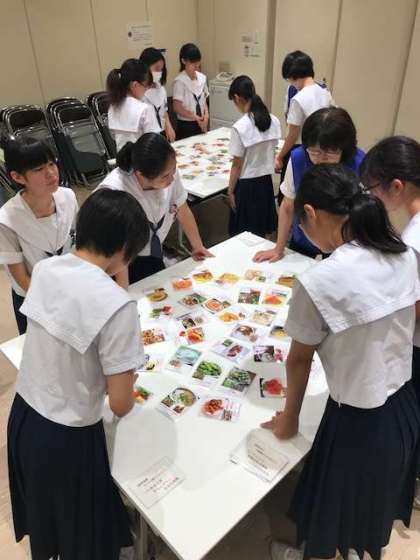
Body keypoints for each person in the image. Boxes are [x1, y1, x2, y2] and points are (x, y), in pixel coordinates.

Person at [263, 164, 420, 560]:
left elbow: (299, 361)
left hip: (357, 420)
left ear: (310, 213)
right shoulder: (401, 253)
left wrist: (289, 419)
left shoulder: (319, 280)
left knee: (333, 508)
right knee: (367, 504)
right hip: (404, 407)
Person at [7, 188, 150, 560]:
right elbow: (120, 404)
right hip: (67, 436)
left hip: (23, 417)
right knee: (82, 532)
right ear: (125, 249)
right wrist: (129, 379)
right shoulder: (119, 308)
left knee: (49, 519)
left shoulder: (47, 269)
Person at [360, 135, 420, 508]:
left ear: (396, 187)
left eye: (374, 191)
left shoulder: (413, 241)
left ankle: (403, 487)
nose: (373, 200)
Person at [97, 132, 212, 285]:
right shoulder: (115, 191)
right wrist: (123, 289)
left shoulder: (167, 170)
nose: (172, 179)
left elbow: (183, 209)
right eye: (165, 176)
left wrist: (197, 246)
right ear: (140, 175)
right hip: (120, 261)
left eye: (173, 170)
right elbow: (116, 247)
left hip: (152, 252)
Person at [254, 107, 364, 261]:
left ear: (345, 148)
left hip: (341, 242)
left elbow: (363, 215)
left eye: (330, 152)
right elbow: (288, 206)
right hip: (305, 235)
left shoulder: (359, 164)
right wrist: (278, 248)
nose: (322, 158)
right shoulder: (299, 158)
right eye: (315, 151)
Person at [0, 137, 78, 334]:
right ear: (18, 177)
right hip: (35, 299)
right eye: (38, 169)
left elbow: (80, 247)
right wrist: (54, 306)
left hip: (71, 290)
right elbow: (21, 277)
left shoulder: (68, 197)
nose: (51, 173)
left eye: (52, 164)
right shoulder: (6, 219)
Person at [227, 75, 281, 237]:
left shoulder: (240, 127)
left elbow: (237, 165)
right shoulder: (273, 120)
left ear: (237, 98)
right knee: (261, 229)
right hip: (265, 183)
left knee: (244, 233)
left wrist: (230, 191)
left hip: (246, 186)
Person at [275, 51, 333, 181]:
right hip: (323, 151)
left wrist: (280, 156)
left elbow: (293, 135)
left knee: (294, 187)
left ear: (292, 76)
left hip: (302, 151)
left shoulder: (298, 99)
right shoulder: (325, 92)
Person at [106, 58, 160, 151]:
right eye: (145, 86)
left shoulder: (113, 107)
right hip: (144, 158)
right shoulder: (145, 109)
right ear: (135, 85)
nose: (146, 90)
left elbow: (114, 136)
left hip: (122, 157)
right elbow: (155, 142)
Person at [173, 43, 209, 139]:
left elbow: (204, 101)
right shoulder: (180, 81)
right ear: (183, 61)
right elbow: (177, 107)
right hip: (186, 125)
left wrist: (206, 116)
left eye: (198, 62)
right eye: (193, 63)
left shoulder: (202, 78)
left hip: (202, 122)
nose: (196, 65)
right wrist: (195, 117)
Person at [139, 47, 176, 142]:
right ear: (145, 68)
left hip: (162, 133)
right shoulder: (139, 93)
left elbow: (164, 112)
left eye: (161, 69)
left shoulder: (161, 89)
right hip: (147, 137)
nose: (159, 72)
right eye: (156, 68)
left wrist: (169, 126)